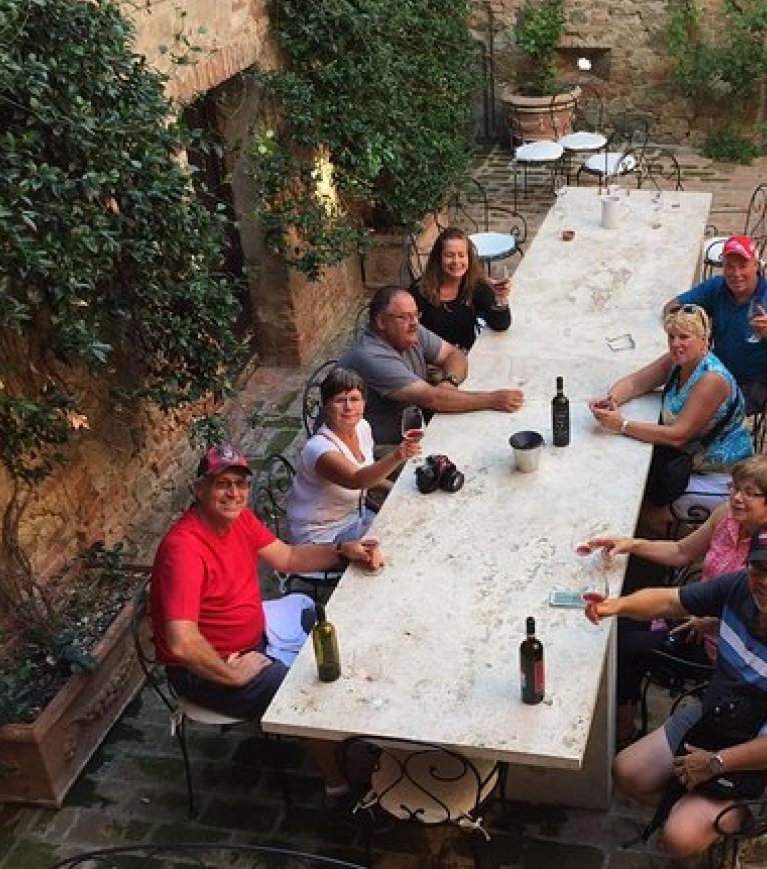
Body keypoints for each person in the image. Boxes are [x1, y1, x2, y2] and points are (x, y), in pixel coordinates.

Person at [586, 519, 767, 860]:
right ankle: (696, 809)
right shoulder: (739, 587)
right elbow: (669, 602)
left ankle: (700, 822)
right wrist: (613, 607)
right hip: (719, 717)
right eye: (758, 568)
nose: (764, 581)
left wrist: (716, 764)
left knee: (678, 838)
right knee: (627, 773)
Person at [151, 444, 378, 799]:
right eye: (222, 484)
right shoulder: (183, 550)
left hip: (257, 634)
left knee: (334, 632)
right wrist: (232, 674)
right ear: (199, 490)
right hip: (208, 667)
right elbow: (181, 641)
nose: (234, 494)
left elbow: (287, 557)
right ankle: (340, 788)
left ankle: (350, 737)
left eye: (240, 484)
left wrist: (340, 552)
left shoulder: (239, 519)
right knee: (309, 695)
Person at [583, 455, 767, 744]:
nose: (737, 499)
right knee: (620, 625)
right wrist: (630, 544)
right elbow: (681, 551)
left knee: (626, 646)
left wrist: (711, 623)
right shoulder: (725, 516)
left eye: (751, 494)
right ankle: (619, 711)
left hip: (726, 649)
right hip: (692, 615)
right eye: (735, 489)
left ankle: (622, 727)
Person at [589, 305, 752, 536]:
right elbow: (636, 383)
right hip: (687, 462)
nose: (676, 344)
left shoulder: (712, 379)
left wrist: (622, 425)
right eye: (671, 337)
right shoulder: (678, 361)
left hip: (720, 477)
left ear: (703, 339)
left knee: (641, 513)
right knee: (631, 489)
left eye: (685, 337)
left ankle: (687, 552)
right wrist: (611, 399)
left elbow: (678, 435)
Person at [338, 286, 524, 447]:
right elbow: (432, 399)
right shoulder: (371, 356)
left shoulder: (410, 331)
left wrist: (449, 382)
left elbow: (454, 355)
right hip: (374, 449)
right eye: (404, 317)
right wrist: (493, 400)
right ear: (381, 322)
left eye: (415, 315)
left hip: (417, 424)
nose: (414, 323)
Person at [286, 366, 421, 547]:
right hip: (322, 536)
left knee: (414, 519)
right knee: (401, 541)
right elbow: (357, 479)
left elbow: (366, 472)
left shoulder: (362, 427)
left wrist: (395, 488)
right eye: (340, 400)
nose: (349, 407)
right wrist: (398, 455)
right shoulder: (319, 450)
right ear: (326, 407)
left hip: (356, 517)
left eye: (355, 399)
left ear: (364, 404)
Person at [663, 235, 767, 411]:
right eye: (729, 266)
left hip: (759, 382)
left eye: (743, 266)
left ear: (756, 265)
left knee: (699, 411)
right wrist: (693, 326)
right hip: (719, 372)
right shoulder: (717, 287)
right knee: (671, 375)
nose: (736, 274)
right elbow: (672, 306)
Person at [409, 227, 511, 351]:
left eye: (461, 255)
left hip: (465, 360)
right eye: (449, 255)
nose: (456, 261)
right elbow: (406, 333)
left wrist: (501, 298)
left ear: (469, 258)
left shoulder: (475, 285)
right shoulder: (419, 291)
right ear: (438, 258)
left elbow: (500, 324)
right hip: (431, 363)